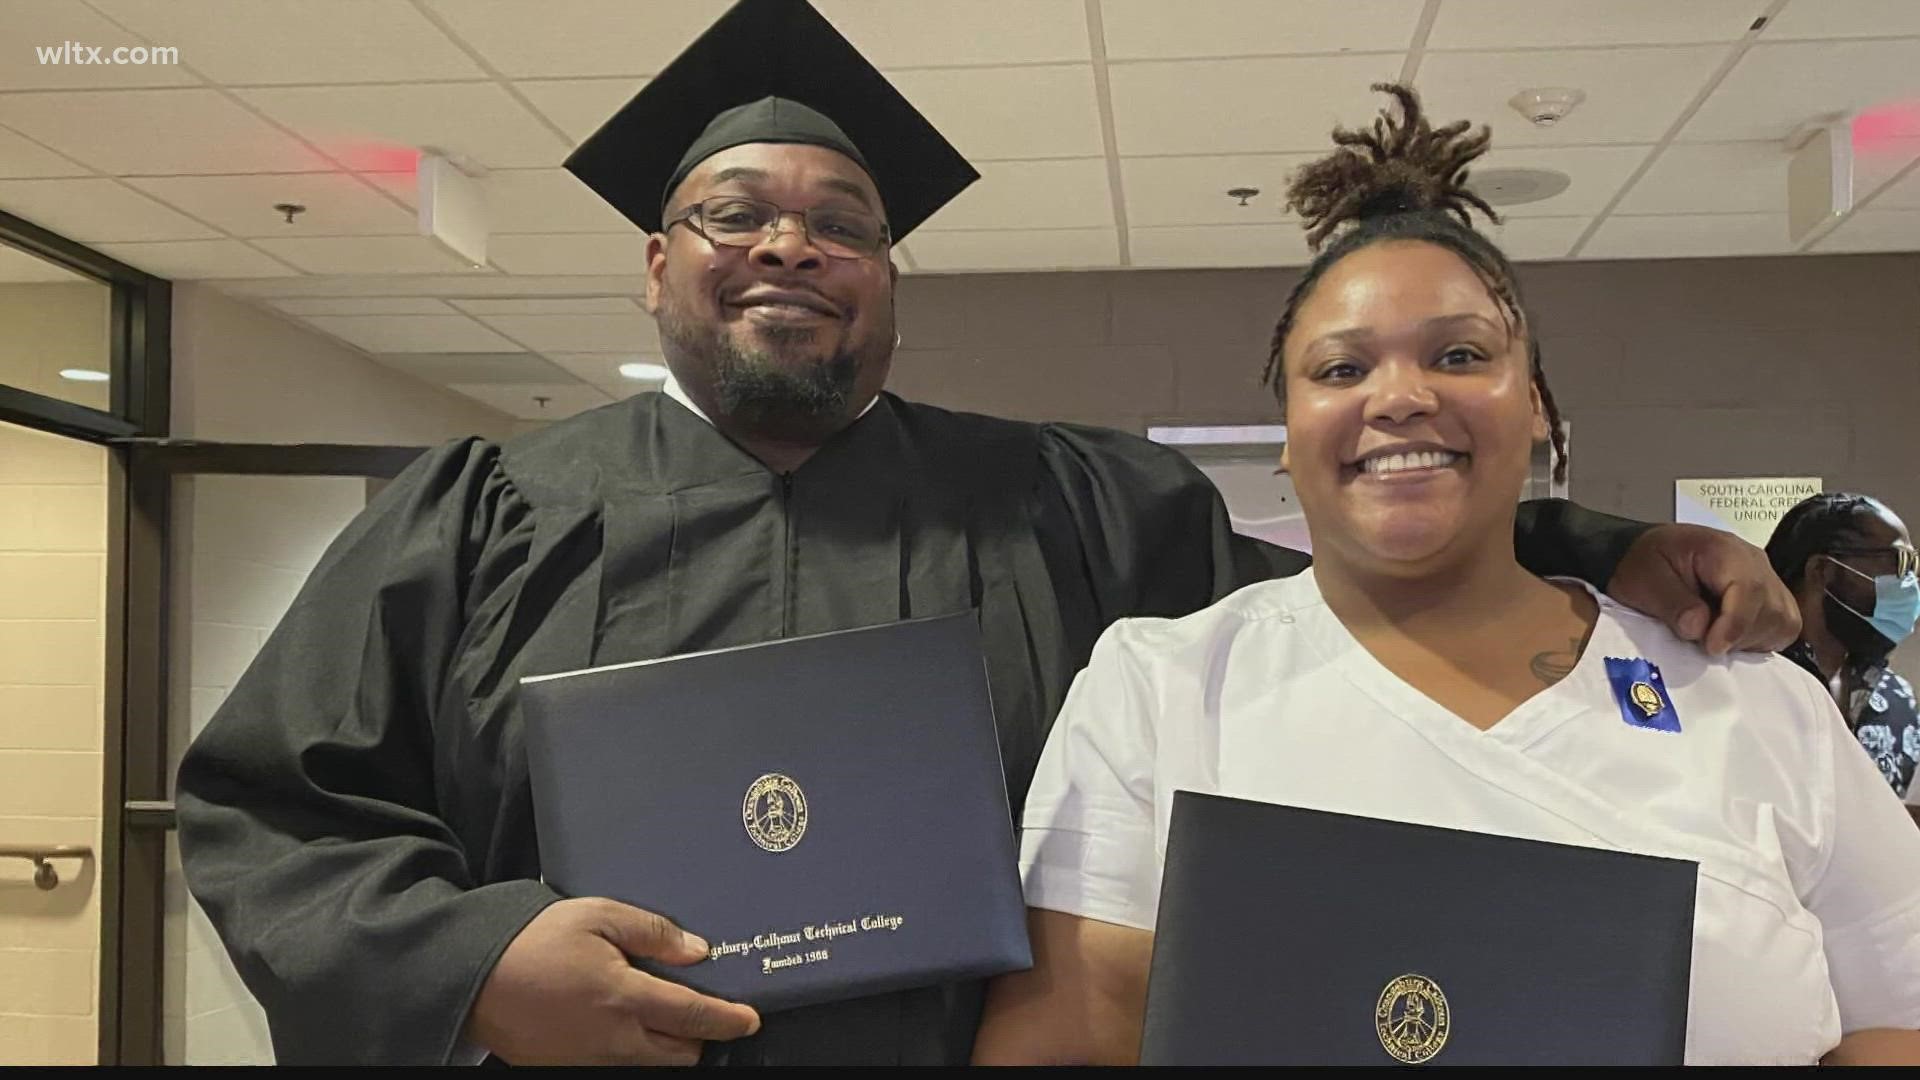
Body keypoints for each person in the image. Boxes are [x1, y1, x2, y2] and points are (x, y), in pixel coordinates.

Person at [173, 2, 1798, 1067]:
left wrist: (1600, 543)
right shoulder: (479, 520)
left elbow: (1341, 608)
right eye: (738, 213)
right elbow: (269, 815)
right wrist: (477, 961)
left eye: (844, 224)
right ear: (658, 267)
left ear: (890, 279)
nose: (792, 244)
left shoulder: (1076, 506)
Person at [971, 84, 1920, 1066]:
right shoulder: (1165, 690)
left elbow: (1900, 1011)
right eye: (1341, 370)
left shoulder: (1752, 703)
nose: (1402, 396)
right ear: (1287, 442)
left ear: (1540, 408)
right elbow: (1067, 1038)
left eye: (1460, 354)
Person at [1767, 493, 1920, 821]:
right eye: (1900, 563)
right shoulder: (1744, 679)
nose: (1910, 584)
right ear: (1822, 569)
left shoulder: (1897, 699)